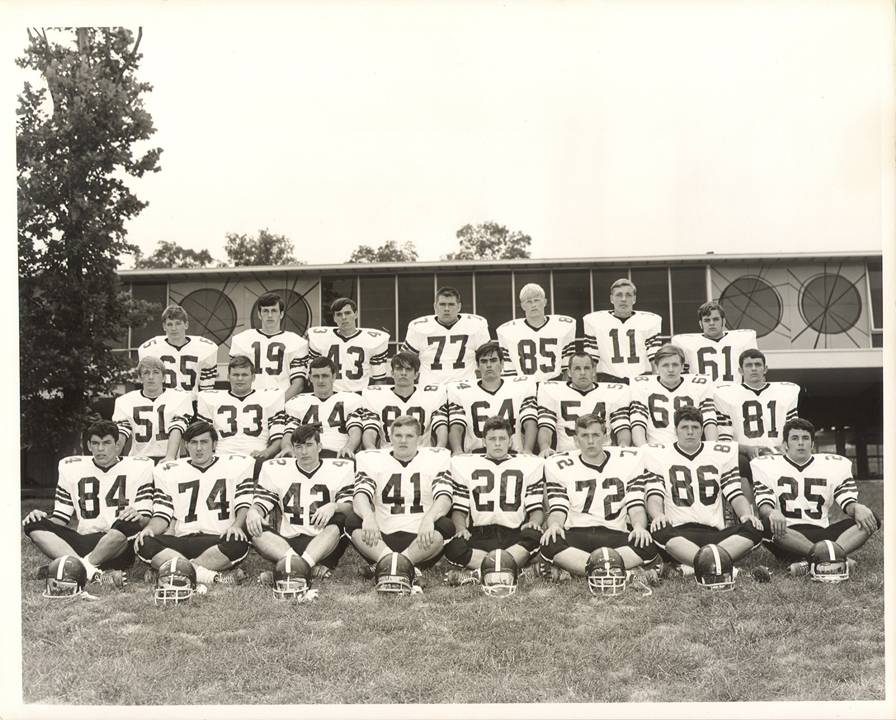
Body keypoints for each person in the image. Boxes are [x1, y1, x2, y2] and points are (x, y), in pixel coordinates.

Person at [23, 420, 154, 586]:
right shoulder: (71, 468)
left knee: (130, 521)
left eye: (106, 443)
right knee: (33, 523)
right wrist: (42, 518)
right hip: (84, 541)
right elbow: (60, 518)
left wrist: (137, 515)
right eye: (95, 443)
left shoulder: (139, 467)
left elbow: (145, 519)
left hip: (118, 544)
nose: (100, 449)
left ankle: (71, 567)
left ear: (117, 445)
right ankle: (89, 571)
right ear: (89, 445)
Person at [643, 407, 764, 575]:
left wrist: (746, 514)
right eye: (684, 427)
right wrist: (658, 515)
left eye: (695, 427)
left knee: (755, 527)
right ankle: (720, 564)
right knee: (658, 528)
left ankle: (693, 566)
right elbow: (654, 496)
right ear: (676, 430)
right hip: (679, 534)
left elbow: (735, 494)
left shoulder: (718, 455)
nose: (690, 432)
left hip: (715, 534)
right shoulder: (660, 456)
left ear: (702, 430)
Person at [752, 418, 880, 575]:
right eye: (795, 438)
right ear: (785, 444)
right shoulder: (767, 466)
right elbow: (764, 507)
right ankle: (834, 557)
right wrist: (772, 512)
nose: (801, 443)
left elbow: (848, 503)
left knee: (871, 518)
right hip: (787, 535)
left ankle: (816, 559)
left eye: (805, 438)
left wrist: (858, 507)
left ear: (812, 444)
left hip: (823, 533)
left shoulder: (832, 466)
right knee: (765, 524)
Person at [539, 414, 659, 580]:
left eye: (595, 435)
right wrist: (554, 525)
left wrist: (638, 527)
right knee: (550, 543)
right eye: (584, 436)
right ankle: (619, 572)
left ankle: (582, 570)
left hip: (614, 533)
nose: (590, 441)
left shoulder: (627, 462)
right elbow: (558, 508)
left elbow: (636, 507)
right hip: (577, 534)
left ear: (605, 436)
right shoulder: (560, 466)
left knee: (646, 544)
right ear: (575, 440)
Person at [134, 421, 254, 586]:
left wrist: (236, 526)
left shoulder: (234, 467)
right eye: (193, 442)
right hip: (182, 539)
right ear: (186, 445)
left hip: (217, 539)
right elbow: (162, 514)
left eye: (204, 442)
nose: (199, 448)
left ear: (214, 444)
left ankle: (171, 570)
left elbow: (244, 504)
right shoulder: (171, 471)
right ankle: (208, 576)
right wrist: (150, 529)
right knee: (144, 542)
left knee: (238, 542)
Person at [346, 415, 456, 590]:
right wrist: (368, 517)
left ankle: (387, 565)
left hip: (420, 539)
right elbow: (360, 495)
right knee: (353, 521)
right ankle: (402, 565)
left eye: (409, 436)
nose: (403, 440)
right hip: (382, 536)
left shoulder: (434, 459)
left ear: (419, 438)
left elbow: (444, 497)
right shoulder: (373, 460)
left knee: (446, 525)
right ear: (390, 437)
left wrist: (429, 519)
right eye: (398, 435)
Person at [246, 424, 356, 584]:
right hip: (286, 543)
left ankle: (290, 569)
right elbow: (261, 505)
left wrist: (334, 506)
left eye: (309, 445)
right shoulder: (279, 471)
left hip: (324, 542)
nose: (304, 452)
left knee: (341, 520)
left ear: (319, 447)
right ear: (293, 449)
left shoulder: (339, 470)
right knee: (254, 526)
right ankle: (305, 568)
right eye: (298, 447)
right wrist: (253, 512)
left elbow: (350, 508)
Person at [443, 417, 545, 584]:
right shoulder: (466, 465)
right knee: (453, 546)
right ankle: (514, 570)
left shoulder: (528, 465)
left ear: (510, 441)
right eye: (492, 439)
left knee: (535, 535)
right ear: (484, 441)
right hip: (480, 535)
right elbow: (459, 510)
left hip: (514, 535)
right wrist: (461, 528)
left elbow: (536, 508)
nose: (497, 443)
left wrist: (534, 522)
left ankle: (479, 573)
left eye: (502, 438)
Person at [713, 348, 800, 498]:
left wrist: (785, 446)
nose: (753, 368)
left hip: (778, 452)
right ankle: (748, 509)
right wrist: (746, 449)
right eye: (748, 365)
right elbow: (724, 440)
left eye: (758, 364)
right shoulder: (726, 395)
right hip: (744, 456)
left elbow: (794, 430)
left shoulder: (784, 392)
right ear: (740, 370)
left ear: (765, 369)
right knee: (735, 463)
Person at [446, 341, 538, 455]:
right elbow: (456, 426)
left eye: (493, 360)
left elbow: (529, 422)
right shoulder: (461, 392)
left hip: (512, 454)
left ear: (502, 363)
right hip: (476, 454)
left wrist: (528, 449)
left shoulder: (521, 388)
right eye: (484, 361)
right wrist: (457, 450)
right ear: (477, 365)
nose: (489, 365)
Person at [537, 352, 631, 455]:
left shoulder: (612, 393)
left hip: (602, 454)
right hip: (566, 454)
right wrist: (545, 448)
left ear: (593, 371)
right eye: (577, 368)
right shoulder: (553, 392)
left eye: (587, 368)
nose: (582, 373)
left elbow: (622, 427)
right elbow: (546, 428)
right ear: (569, 372)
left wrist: (623, 445)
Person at [196, 355, 285, 460]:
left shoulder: (269, 398)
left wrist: (266, 453)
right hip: (221, 457)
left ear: (253, 377)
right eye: (235, 375)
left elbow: (278, 438)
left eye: (244, 375)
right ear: (228, 377)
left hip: (256, 458)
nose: (240, 378)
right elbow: (201, 437)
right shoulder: (210, 399)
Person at [630, 343, 717, 446]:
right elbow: (638, 426)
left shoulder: (699, 386)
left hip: (690, 449)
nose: (670, 369)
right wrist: (645, 450)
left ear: (682, 366)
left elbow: (709, 423)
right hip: (656, 448)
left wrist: (711, 447)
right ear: (656, 367)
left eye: (675, 365)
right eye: (665, 365)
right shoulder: (643, 387)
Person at [401, 286, 490, 385]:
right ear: (435, 306)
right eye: (442, 304)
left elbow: (490, 361)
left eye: (451, 304)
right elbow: (403, 362)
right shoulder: (418, 327)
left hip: (466, 387)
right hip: (430, 388)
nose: (447, 309)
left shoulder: (476, 325)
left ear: (459, 307)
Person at [360, 351, 449, 450]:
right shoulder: (376, 397)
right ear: (392, 373)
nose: (403, 373)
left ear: (416, 374)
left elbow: (441, 428)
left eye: (408, 369)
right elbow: (370, 432)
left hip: (422, 453)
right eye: (399, 369)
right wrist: (372, 452)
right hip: (388, 453)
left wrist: (439, 450)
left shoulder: (431, 396)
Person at [229, 292, 308, 401]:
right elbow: (235, 378)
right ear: (259, 314)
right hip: (250, 402)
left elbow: (298, 384)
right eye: (265, 311)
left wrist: (278, 404)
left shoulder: (296, 342)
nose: (270, 315)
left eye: (274, 311)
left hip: (282, 402)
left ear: (281, 314)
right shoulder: (242, 339)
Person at [112, 356, 192, 462]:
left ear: (164, 377)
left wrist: (170, 457)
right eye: (146, 373)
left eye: (156, 372)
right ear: (140, 378)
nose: (151, 377)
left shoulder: (179, 398)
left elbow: (177, 429)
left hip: (167, 458)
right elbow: (121, 435)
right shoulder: (124, 401)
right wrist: (112, 457)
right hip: (138, 460)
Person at [281, 357, 364, 459]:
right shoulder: (297, 402)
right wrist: (287, 447)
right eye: (316, 376)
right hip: (307, 455)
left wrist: (349, 448)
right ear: (310, 378)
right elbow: (289, 433)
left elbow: (355, 430)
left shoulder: (351, 399)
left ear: (334, 377)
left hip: (338, 453)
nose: (320, 381)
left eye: (325, 376)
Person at [583, 278, 662, 381]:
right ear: (611, 298)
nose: (623, 299)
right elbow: (591, 362)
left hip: (639, 379)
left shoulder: (649, 321)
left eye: (628, 295)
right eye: (619, 295)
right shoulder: (595, 321)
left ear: (634, 299)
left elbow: (655, 362)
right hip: (607, 379)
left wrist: (655, 384)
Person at [305, 297, 390, 392]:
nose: (344, 317)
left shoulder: (373, 340)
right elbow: (312, 376)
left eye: (347, 313)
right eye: (339, 314)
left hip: (360, 394)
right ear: (334, 318)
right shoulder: (320, 338)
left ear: (356, 314)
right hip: (330, 394)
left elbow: (380, 379)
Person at [496, 283, 577, 381]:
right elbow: (509, 372)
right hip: (523, 385)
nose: (533, 305)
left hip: (554, 382)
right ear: (522, 306)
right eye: (529, 302)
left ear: (545, 302)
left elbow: (567, 368)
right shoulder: (508, 331)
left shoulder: (562, 326)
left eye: (536, 300)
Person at [137, 303, 220, 396]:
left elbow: (206, 391)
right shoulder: (151, 349)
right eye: (169, 324)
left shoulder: (205, 348)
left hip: (192, 402)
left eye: (178, 323)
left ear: (186, 325)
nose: (174, 328)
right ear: (164, 326)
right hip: (163, 401)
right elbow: (148, 385)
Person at [670, 301, 758, 384]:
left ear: (723, 321)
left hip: (733, 392)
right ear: (700, 323)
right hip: (702, 393)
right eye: (707, 320)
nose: (711, 323)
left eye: (716, 319)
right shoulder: (686, 343)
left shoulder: (741, 340)